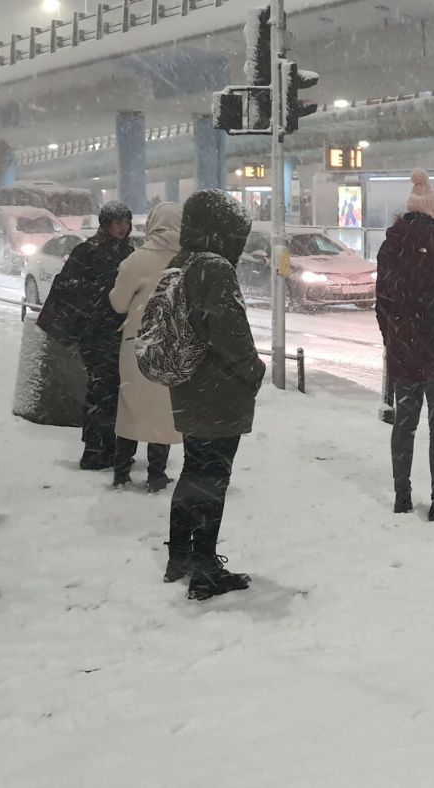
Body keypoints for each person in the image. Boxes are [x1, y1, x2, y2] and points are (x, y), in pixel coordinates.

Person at [164, 189, 265, 600]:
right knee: (212, 481)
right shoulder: (215, 268)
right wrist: (254, 370)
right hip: (217, 391)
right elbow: (230, 334)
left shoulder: (183, 261)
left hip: (190, 386)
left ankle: (180, 557)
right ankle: (205, 570)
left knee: (194, 472)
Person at [375, 170, 434, 521]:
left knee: (405, 423)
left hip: (404, 352)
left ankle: (402, 495)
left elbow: (381, 302)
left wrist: (393, 338)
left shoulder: (389, 245)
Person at [52, 201, 134, 471]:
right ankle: (96, 450)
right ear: (106, 223)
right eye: (117, 222)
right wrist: (98, 294)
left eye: (125, 222)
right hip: (94, 334)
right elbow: (66, 287)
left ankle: (111, 447)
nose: (122, 227)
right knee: (101, 389)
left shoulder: (129, 253)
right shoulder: (86, 251)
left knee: (115, 390)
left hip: (119, 332)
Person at [109, 201, 183, 491]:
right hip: (171, 344)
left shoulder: (137, 260)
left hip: (137, 343)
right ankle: (156, 474)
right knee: (162, 412)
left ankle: (121, 472)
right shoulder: (188, 261)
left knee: (131, 406)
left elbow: (118, 304)